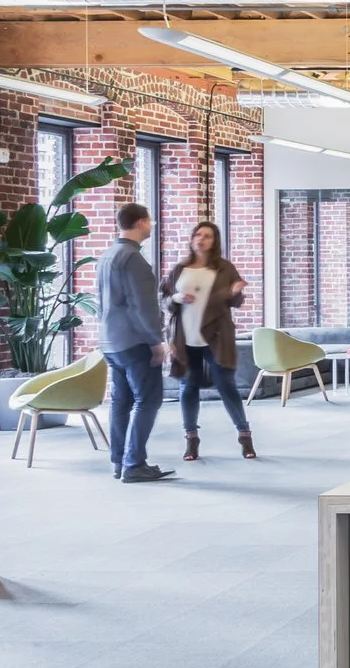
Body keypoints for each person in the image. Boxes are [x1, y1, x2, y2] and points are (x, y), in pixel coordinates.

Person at [163, 220, 255, 462]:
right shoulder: (179, 269)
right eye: (198, 234)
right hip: (185, 337)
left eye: (208, 236)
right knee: (188, 387)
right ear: (192, 238)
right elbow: (164, 300)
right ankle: (191, 439)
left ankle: (244, 434)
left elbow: (235, 303)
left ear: (215, 242)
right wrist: (178, 297)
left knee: (226, 386)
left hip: (216, 336)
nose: (202, 239)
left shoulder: (224, 268)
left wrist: (235, 292)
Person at [96, 203, 173, 483]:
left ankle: (119, 461)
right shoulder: (134, 259)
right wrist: (156, 341)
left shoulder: (107, 256)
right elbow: (143, 306)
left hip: (110, 341)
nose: (151, 226)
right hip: (134, 341)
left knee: (121, 402)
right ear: (140, 223)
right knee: (148, 400)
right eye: (149, 221)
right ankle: (134, 463)